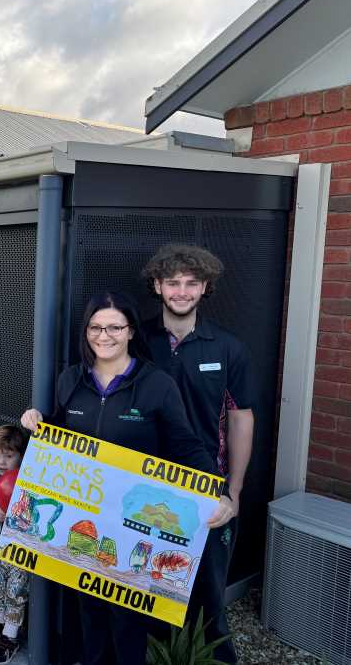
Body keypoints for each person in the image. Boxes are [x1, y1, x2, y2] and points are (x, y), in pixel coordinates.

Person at [20, 291, 235, 665]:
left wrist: (221, 492)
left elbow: (187, 445)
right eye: (96, 327)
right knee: (87, 612)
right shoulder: (71, 380)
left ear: (131, 331)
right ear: (86, 331)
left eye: (115, 327)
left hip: (133, 526)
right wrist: (38, 423)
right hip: (84, 521)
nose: (105, 336)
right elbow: (60, 432)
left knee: (127, 621)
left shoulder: (157, 384)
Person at [141, 244, 253, 663]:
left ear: (205, 287)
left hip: (206, 487)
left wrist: (235, 490)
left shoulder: (227, 348)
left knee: (206, 591)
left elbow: (241, 418)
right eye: (173, 282)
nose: (181, 291)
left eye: (191, 283)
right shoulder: (138, 342)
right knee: (147, 582)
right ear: (158, 285)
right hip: (146, 484)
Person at [0, 425, 29, 664]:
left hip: (19, 553)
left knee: (15, 593)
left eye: (8, 456)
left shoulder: (27, 480)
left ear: (20, 455)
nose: (1, 461)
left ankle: (11, 635)